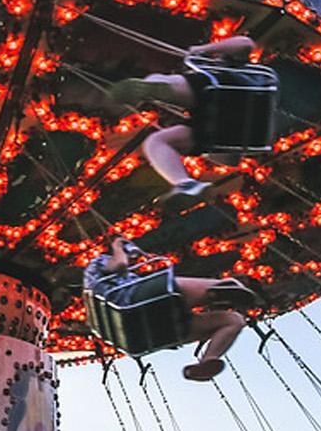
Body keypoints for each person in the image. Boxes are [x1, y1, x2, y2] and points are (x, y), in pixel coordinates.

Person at [103, 35, 265, 211]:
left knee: (171, 81)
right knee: (156, 142)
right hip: (226, 128)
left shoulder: (232, 65)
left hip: (229, 93)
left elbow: (245, 43)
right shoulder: (212, 68)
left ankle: (154, 87)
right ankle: (185, 184)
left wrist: (201, 50)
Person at [84, 232, 261, 380]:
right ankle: (216, 292)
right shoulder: (99, 262)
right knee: (182, 288)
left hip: (143, 331)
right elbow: (120, 264)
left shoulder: (109, 289)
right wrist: (117, 246)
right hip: (132, 301)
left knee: (234, 320)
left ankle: (207, 361)